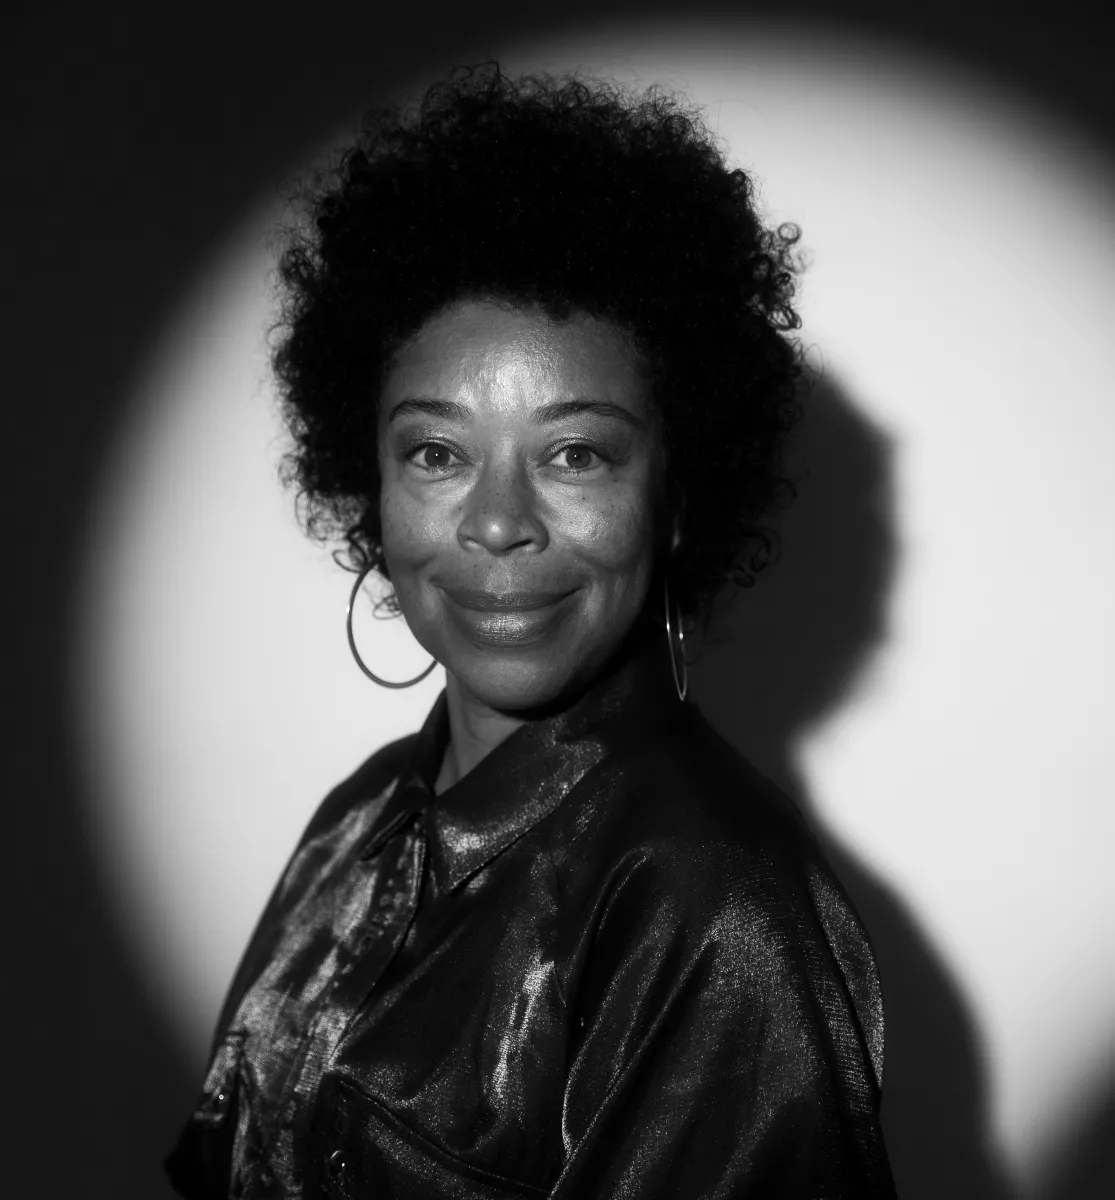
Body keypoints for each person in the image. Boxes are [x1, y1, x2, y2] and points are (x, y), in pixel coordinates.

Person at [166, 63, 896, 1199]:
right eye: (436, 453)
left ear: (678, 500)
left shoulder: (715, 907)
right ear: (368, 486)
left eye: (575, 454)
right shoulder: (354, 826)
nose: (498, 523)